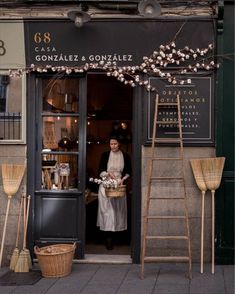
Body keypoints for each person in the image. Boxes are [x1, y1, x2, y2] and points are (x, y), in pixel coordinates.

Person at [97, 136, 132, 250]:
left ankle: (118, 236)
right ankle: (108, 239)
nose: (113, 146)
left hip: (119, 185)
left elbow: (128, 171)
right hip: (106, 186)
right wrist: (108, 174)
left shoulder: (125, 156)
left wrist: (123, 179)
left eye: (115, 144)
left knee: (118, 211)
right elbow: (100, 171)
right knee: (107, 212)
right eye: (111, 144)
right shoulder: (105, 155)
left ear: (119, 144)